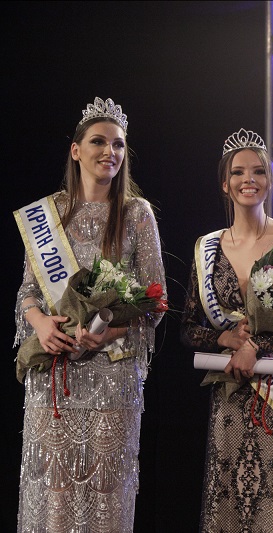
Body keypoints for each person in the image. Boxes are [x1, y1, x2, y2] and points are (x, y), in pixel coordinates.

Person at [14, 97, 166, 531]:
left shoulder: (137, 214)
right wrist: (41, 323)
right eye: (99, 141)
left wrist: (108, 331)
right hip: (54, 376)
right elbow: (28, 291)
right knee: (55, 497)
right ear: (76, 150)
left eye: (118, 144)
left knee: (106, 499)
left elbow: (156, 301)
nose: (109, 152)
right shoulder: (49, 213)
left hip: (112, 378)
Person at [180, 129, 273, 531]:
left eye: (258, 171)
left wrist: (256, 345)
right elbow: (188, 328)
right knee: (231, 503)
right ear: (224, 183)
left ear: (270, 180)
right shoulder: (208, 247)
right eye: (238, 172)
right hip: (232, 393)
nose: (249, 179)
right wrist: (224, 338)